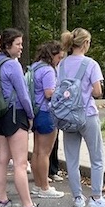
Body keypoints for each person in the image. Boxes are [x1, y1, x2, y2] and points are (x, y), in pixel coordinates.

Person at [0, 28, 50, 207]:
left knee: (1, 158)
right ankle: (28, 206)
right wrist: (31, 115)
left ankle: (2, 200)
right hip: (16, 114)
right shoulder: (13, 66)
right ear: (8, 45)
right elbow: (23, 94)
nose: (21, 47)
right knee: (20, 162)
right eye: (18, 44)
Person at [58, 28, 105, 207]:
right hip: (87, 114)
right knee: (96, 157)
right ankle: (97, 197)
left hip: (67, 115)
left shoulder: (62, 64)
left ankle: (77, 198)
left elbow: (59, 88)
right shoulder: (91, 64)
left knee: (72, 159)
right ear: (85, 44)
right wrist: (84, 92)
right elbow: (98, 91)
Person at [28, 41, 66, 199]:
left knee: (37, 151)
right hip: (47, 111)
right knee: (45, 153)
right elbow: (49, 93)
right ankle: (45, 186)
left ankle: (37, 185)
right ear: (53, 55)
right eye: (59, 57)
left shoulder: (35, 66)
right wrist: (64, 93)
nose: (60, 60)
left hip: (36, 111)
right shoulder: (48, 70)